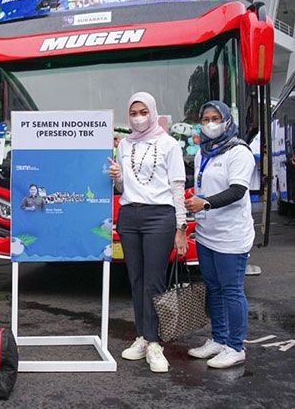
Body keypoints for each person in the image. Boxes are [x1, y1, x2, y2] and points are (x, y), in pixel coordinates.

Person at [108, 92, 187, 373]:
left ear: (152, 112)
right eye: (133, 113)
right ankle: (142, 336)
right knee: (136, 279)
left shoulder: (169, 144)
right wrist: (117, 177)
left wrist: (181, 229)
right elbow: (122, 188)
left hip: (160, 217)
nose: (139, 118)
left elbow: (177, 189)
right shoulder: (124, 145)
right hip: (129, 215)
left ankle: (155, 343)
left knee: (154, 281)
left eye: (143, 112)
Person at [185, 100, 255, 369]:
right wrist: (194, 198)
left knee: (231, 290)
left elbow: (238, 191)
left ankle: (236, 346)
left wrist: (206, 203)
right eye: (205, 119)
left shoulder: (238, 152)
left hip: (231, 236)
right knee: (213, 288)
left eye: (216, 118)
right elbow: (203, 186)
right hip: (207, 233)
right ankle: (219, 338)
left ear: (227, 121)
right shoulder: (204, 152)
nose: (210, 124)